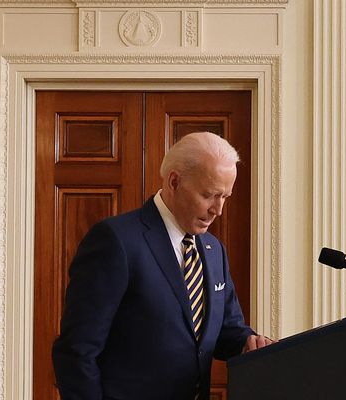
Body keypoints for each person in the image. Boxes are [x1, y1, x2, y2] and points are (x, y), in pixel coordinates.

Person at [52, 131, 273, 400]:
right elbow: (76, 352)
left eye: (225, 196)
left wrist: (249, 343)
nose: (218, 209)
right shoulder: (116, 241)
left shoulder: (214, 251)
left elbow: (227, 330)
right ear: (174, 181)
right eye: (209, 195)